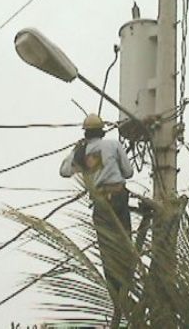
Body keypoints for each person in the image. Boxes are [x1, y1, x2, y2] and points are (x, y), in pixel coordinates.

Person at [59, 113, 134, 303]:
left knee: (107, 248)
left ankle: (116, 292)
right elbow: (128, 172)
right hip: (118, 197)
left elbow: (64, 171)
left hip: (101, 204)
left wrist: (76, 150)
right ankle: (128, 284)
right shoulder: (113, 145)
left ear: (86, 133)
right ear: (101, 131)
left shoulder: (80, 152)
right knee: (124, 241)